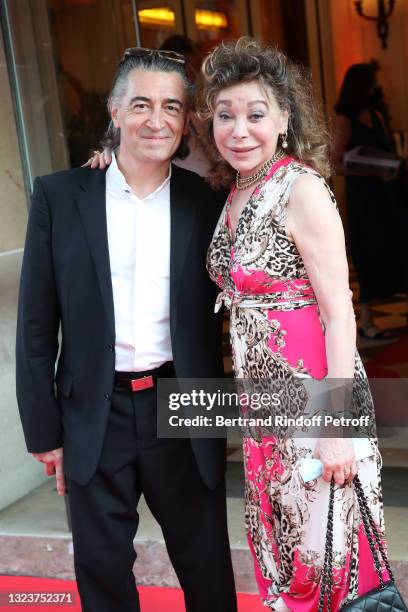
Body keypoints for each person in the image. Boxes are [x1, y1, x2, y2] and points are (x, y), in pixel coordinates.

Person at [16, 48, 237, 612]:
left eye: (171, 107)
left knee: (208, 567)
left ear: (187, 120)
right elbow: (37, 328)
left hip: (186, 401)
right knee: (103, 571)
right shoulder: (60, 197)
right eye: (141, 104)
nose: (156, 120)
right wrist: (44, 433)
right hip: (96, 407)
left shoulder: (208, 202)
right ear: (114, 111)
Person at [200, 38, 387, 610]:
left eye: (255, 115)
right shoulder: (233, 192)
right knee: (283, 548)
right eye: (225, 115)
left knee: (327, 550)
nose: (239, 130)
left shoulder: (300, 189)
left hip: (315, 403)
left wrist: (337, 427)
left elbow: (338, 311)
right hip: (265, 409)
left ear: (283, 118)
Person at [333, 62, 406, 340]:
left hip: (387, 193)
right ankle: (366, 319)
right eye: (372, 83)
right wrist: (371, 169)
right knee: (368, 252)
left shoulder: (376, 115)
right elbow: (335, 163)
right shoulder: (344, 120)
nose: (377, 87)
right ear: (361, 87)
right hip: (363, 197)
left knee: (396, 246)